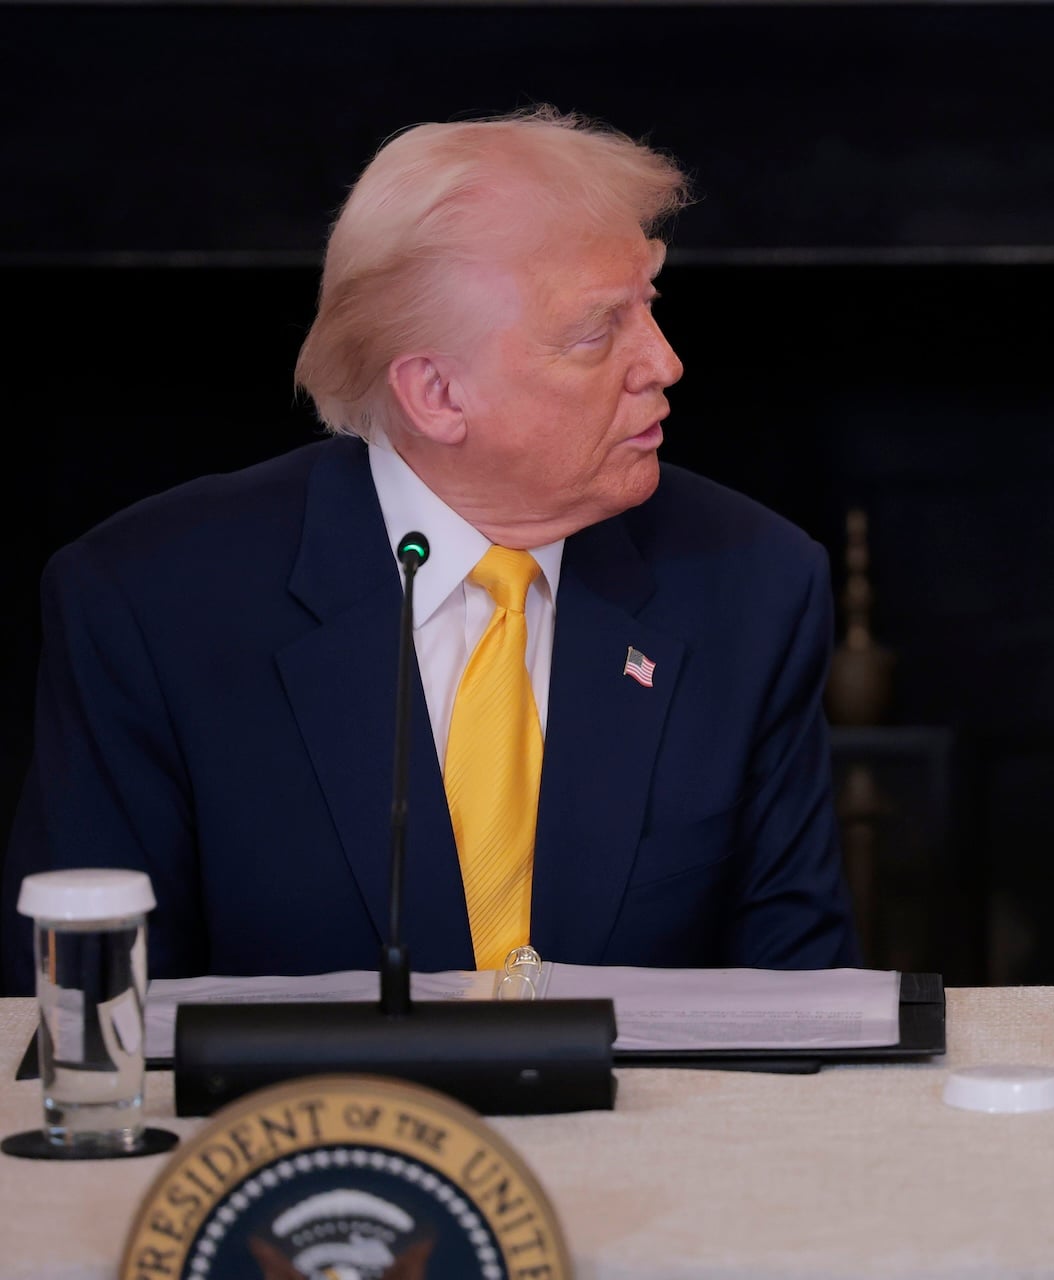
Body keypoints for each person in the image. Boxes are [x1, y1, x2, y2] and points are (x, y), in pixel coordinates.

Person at [2, 108, 859, 990]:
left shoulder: (752, 582)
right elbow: (85, 1016)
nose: (665, 362)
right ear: (438, 393)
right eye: (600, 331)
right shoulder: (148, 604)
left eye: (650, 308)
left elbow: (802, 1004)